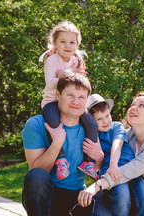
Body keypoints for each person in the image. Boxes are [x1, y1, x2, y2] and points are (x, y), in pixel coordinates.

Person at [21, 74, 111, 216]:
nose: (75, 102)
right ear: (58, 95)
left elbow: (101, 171)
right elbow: (37, 171)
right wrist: (56, 143)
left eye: (81, 97)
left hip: (75, 196)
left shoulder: (92, 129)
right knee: (37, 176)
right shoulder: (36, 124)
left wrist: (99, 158)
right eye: (70, 95)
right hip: (44, 197)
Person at [88, 93, 144, 216]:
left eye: (107, 115)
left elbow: (116, 144)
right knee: (122, 199)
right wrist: (108, 168)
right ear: (91, 121)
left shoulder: (116, 126)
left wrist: (113, 164)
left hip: (130, 171)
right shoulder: (93, 136)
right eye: (99, 119)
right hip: (112, 174)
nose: (105, 121)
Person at [39, 21, 98, 180]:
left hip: (72, 102)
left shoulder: (77, 60)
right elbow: (51, 83)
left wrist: (65, 73)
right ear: (55, 43)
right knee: (54, 124)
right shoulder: (52, 60)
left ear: (77, 44)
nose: (67, 45)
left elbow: (80, 83)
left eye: (72, 42)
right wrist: (68, 73)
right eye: (63, 41)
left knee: (92, 124)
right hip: (52, 101)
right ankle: (61, 159)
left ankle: (88, 162)